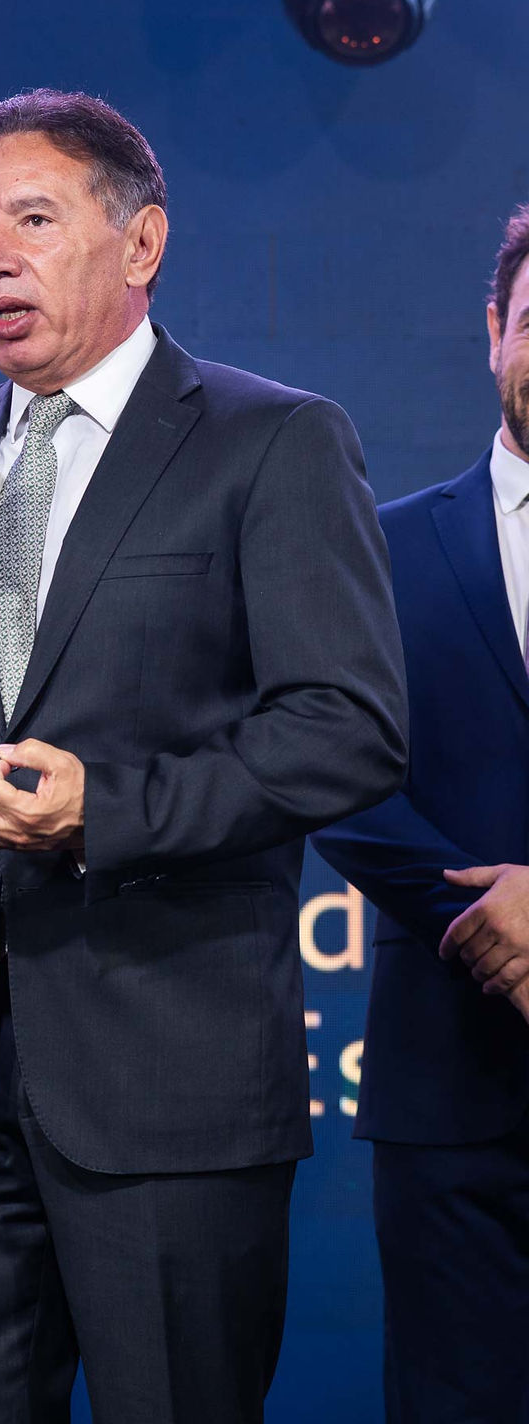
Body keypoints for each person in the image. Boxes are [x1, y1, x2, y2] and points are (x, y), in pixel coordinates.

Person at [0, 90, 408, 1424]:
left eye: (32, 220)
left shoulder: (268, 441)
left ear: (141, 244)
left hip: (166, 1075)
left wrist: (104, 812)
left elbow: (347, 727)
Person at [313, 205, 529, 1423]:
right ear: (493, 330)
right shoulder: (382, 546)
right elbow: (328, 763)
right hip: (448, 1085)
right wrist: (482, 918)